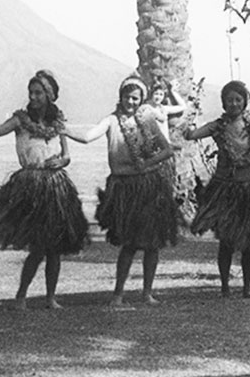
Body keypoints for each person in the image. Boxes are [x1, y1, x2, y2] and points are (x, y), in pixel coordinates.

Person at [0, 70, 88, 310]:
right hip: (30, 187)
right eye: (31, 93)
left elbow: (66, 156)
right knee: (39, 247)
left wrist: (61, 162)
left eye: (38, 93)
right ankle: (21, 295)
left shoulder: (58, 123)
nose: (33, 97)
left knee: (55, 247)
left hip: (56, 186)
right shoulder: (20, 121)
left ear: (49, 95)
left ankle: (50, 297)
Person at [65, 75, 179, 307]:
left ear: (141, 99)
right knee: (129, 243)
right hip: (124, 188)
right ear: (121, 97)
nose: (131, 102)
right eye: (127, 97)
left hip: (149, 186)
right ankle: (118, 294)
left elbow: (167, 150)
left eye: (135, 98)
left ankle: (147, 293)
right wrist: (63, 130)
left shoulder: (147, 121)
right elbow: (88, 137)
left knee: (153, 243)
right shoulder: (111, 121)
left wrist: (147, 164)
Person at [185, 80, 250, 298]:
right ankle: (225, 288)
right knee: (227, 240)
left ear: (245, 102)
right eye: (229, 100)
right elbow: (192, 136)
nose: (234, 104)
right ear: (223, 103)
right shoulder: (217, 126)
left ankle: (247, 289)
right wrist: (186, 124)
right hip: (226, 189)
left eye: (238, 99)